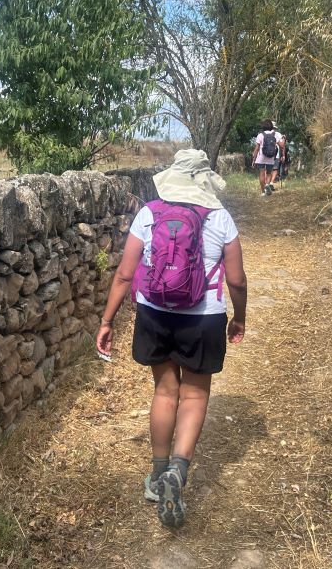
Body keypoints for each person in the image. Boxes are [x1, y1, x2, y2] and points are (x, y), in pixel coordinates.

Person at [96, 149, 248, 529]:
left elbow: (124, 275)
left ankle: (156, 476)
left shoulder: (148, 213)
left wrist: (106, 320)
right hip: (204, 318)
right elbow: (237, 280)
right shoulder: (220, 218)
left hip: (154, 312)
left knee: (165, 393)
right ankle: (178, 473)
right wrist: (239, 318)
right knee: (194, 395)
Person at [251, 119, 284, 195]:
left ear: (263, 126)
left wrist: (254, 159)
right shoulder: (274, 135)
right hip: (270, 157)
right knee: (269, 173)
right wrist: (282, 139)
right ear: (271, 127)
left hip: (261, 158)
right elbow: (281, 146)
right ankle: (267, 185)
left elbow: (257, 148)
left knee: (262, 174)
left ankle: (263, 192)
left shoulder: (260, 135)